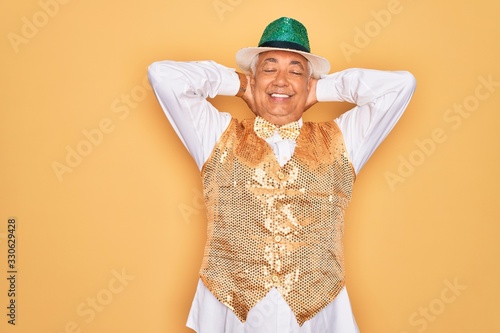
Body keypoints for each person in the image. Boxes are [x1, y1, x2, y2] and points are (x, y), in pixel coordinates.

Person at [148, 17, 416, 333]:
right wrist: (239, 84)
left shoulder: (345, 139)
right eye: (270, 68)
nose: (281, 80)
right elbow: (162, 75)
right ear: (253, 77)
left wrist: (322, 89)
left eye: (296, 72)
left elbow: (402, 85)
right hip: (233, 309)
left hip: (316, 310)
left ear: (309, 83)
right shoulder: (215, 133)